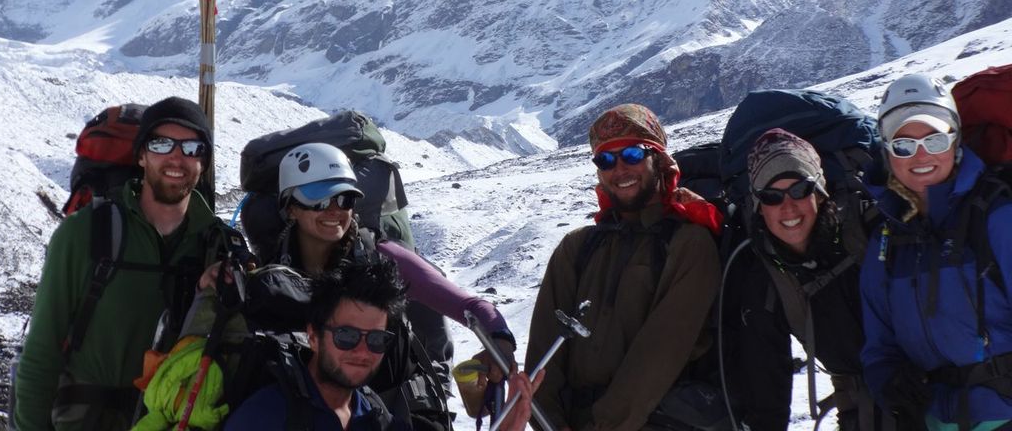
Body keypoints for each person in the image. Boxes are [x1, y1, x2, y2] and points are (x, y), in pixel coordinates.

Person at [241, 142, 519, 428]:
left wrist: (499, 339)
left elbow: (469, 305)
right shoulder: (268, 270)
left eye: (345, 199)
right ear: (290, 209)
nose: (335, 210)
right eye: (319, 201)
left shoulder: (382, 257)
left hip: (392, 413)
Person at [14, 96, 238, 431]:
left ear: (203, 163)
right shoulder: (84, 233)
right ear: (142, 156)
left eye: (192, 148)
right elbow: (41, 354)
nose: (177, 157)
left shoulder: (220, 245)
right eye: (162, 144)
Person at [525, 103, 724, 431]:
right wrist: (549, 421)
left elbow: (661, 352)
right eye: (605, 160)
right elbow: (544, 348)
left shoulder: (689, 243)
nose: (619, 169)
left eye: (632, 154)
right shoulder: (576, 248)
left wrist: (602, 426)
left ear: (658, 160)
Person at [224, 259, 542, 431]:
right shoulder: (265, 417)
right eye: (347, 336)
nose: (362, 351)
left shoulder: (372, 414)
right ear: (313, 336)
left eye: (376, 340)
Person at [860, 73, 1012, 429]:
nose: (921, 155)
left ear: (955, 142)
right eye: (903, 145)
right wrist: (888, 382)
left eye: (935, 139)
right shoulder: (886, 239)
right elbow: (879, 342)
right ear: (887, 153)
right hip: (932, 419)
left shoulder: (997, 218)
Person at [723, 127, 882, 431]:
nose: (788, 207)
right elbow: (766, 379)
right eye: (771, 196)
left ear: (820, 192)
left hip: (928, 392)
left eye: (800, 190)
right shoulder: (766, 277)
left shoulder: (869, 232)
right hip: (858, 406)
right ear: (759, 207)